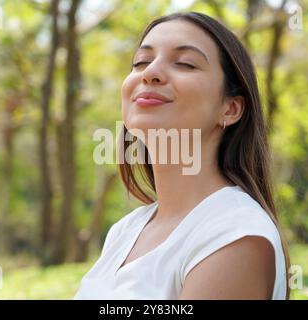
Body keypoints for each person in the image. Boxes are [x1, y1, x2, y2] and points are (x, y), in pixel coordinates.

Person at [74, 11, 290, 300]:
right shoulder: (125, 231)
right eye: (141, 61)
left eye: (185, 63)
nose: (150, 72)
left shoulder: (235, 235)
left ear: (230, 109)